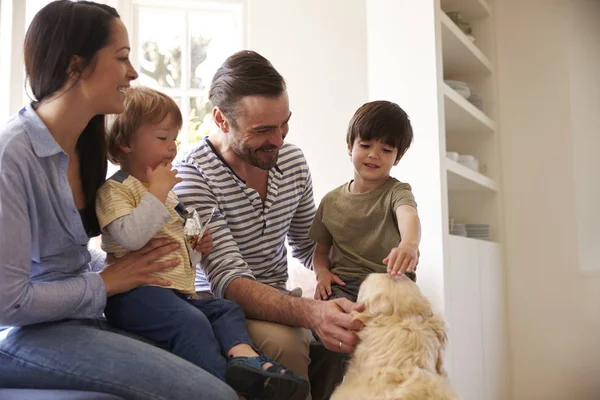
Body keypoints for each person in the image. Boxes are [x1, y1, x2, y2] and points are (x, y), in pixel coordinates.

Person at [0, 2, 238, 399]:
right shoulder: (13, 156)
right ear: (76, 66)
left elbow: (70, 256)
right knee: (215, 394)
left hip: (84, 317)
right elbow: (10, 302)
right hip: (30, 334)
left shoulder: (86, 143)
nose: (133, 72)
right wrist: (107, 281)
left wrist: (132, 265)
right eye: (122, 57)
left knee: (209, 348)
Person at [97, 86, 309, 400]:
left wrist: (195, 246)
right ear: (126, 143)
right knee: (192, 322)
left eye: (174, 138)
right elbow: (131, 236)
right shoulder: (116, 190)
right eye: (162, 138)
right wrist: (157, 192)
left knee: (225, 310)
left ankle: (245, 360)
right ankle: (222, 390)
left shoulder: (164, 191)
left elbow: (175, 248)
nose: (172, 147)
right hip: (133, 295)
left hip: (172, 292)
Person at [174, 50, 364, 400]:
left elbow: (309, 246)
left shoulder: (290, 160)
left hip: (277, 294)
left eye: (284, 124)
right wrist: (311, 313)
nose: (278, 139)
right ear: (221, 119)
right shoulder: (190, 174)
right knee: (286, 344)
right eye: (263, 130)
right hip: (218, 306)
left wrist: (367, 272)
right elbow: (229, 281)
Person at [309, 101, 422, 303]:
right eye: (365, 145)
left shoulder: (397, 192)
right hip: (345, 284)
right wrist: (322, 274)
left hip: (390, 282)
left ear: (398, 157)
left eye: (386, 150)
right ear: (349, 146)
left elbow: (408, 214)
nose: (374, 155)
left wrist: (409, 245)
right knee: (334, 322)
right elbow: (321, 252)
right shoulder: (331, 201)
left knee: (404, 325)